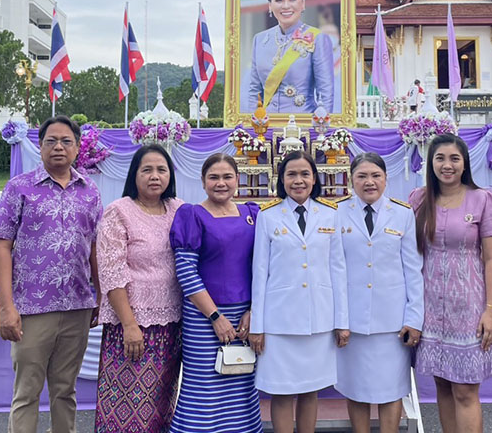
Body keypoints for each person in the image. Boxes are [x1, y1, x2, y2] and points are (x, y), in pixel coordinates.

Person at [0, 115, 103, 433]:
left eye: (66, 141)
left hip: (78, 306)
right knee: (27, 393)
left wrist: (100, 295)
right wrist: (6, 307)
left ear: (78, 147)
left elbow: (95, 247)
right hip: (32, 308)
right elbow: (1, 247)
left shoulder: (89, 191)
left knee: (65, 392)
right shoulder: (20, 188)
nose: (58, 147)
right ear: (39, 147)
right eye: (51, 140)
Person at [409, 134, 492, 433]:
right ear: (430, 163)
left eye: (454, 159)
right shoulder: (418, 199)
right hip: (430, 306)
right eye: (440, 158)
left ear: (464, 163)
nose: (447, 165)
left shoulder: (482, 199)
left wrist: (491, 309)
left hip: (469, 306)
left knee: (466, 390)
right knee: (442, 386)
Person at [249, 151, 348, 433]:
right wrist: (258, 325)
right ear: (281, 179)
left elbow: (338, 271)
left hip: (319, 319)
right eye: (291, 174)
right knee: (280, 392)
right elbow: (260, 273)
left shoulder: (330, 213)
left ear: (314, 178)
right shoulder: (268, 216)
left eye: (304, 174)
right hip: (279, 321)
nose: (298, 180)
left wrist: (342, 322)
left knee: (310, 389)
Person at [169, 154, 263, 432]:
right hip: (203, 316)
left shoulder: (252, 214)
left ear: (237, 179)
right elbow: (186, 271)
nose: (221, 183)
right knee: (204, 387)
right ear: (202, 181)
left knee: (242, 384)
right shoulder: (192, 215)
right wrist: (215, 316)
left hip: (245, 316)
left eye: (227, 177)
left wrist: (253, 310)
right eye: (214, 177)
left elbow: (261, 267)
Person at [94, 144, 184, 432]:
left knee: (161, 403)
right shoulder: (118, 212)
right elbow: (111, 272)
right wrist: (130, 325)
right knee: (126, 404)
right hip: (131, 325)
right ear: (135, 174)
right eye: (147, 170)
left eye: (161, 170)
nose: (154, 176)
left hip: (170, 325)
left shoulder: (179, 210)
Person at [335, 153, 423, 433]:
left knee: (392, 389)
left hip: (392, 321)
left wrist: (414, 318)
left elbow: (413, 270)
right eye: (362, 176)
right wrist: (340, 319)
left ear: (386, 179)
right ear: (351, 180)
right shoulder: (336, 212)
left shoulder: (403, 213)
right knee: (355, 387)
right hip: (353, 320)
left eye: (376, 176)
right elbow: (333, 270)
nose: (369, 182)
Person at [248, 0, 335, 114]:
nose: (286, 6)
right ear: (270, 5)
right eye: (279, 0)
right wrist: (252, 128)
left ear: (303, 3)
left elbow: (325, 93)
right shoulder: (260, 40)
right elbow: (253, 90)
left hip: (304, 124)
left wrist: (322, 129)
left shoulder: (317, 38)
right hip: (266, 126)